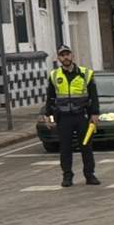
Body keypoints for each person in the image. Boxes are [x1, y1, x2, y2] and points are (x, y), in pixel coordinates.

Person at [43, 45, 100, 188]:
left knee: (86, 146)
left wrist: (95, 113)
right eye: (62, 55)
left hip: (81, 116)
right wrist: (48, 116)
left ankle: (90, 175)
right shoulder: (55, 75)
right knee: (65, 148)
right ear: (58, 58)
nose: (65, 57)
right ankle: (67, 176)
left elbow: (93, 96)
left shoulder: (85, 73)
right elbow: (50, 98)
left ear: (72, 56)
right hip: (64, 118)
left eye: (67, 54)